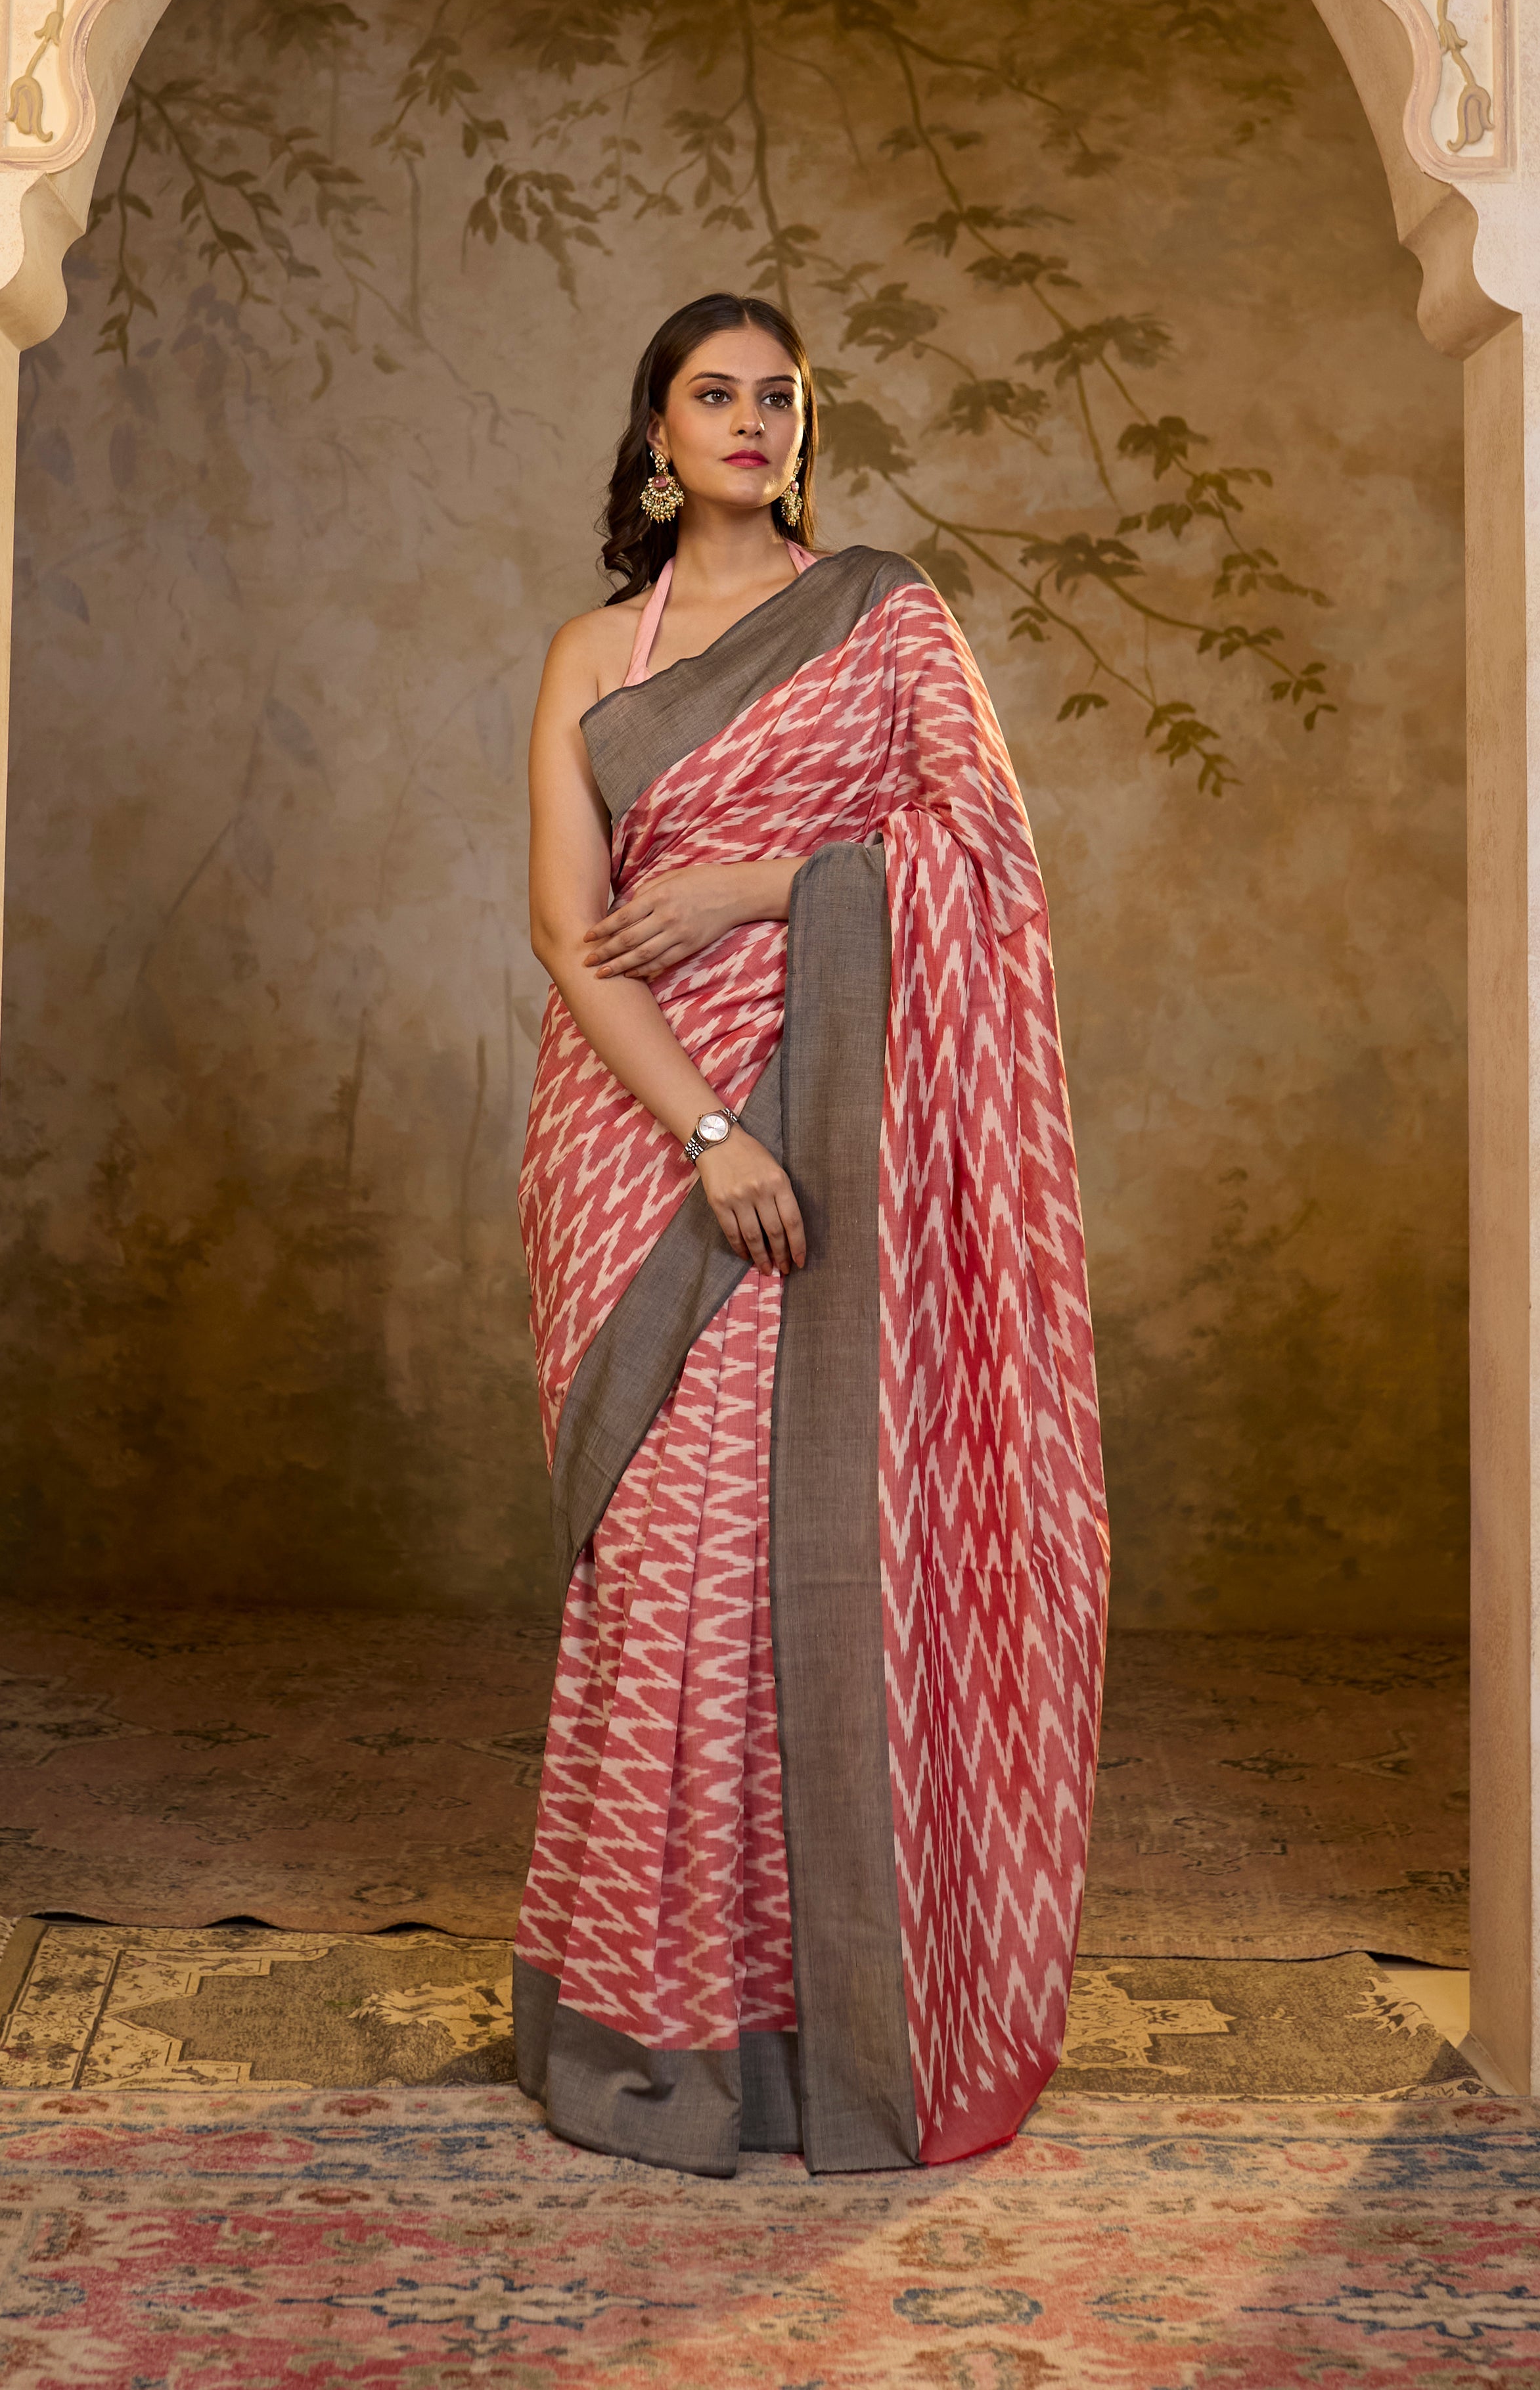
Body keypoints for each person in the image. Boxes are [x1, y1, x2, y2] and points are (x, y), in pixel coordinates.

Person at [514, 289, 1108, 2178]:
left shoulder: (886, 617)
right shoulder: (592, 653)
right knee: (670, 1569)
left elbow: (986, 863)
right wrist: (701, 1133)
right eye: (715, 393)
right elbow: (567, 929)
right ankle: (651, 2019)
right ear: (654, 431)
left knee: (815, 1565)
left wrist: (767, 879)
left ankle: (819, 2028)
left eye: (780, 395)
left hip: (858, 1123)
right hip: (641, 1144)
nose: (753, 420)